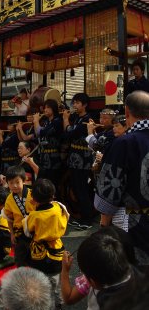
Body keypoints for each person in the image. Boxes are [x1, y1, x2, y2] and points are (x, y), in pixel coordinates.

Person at [95, 90, 149, 266]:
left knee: (136, 274)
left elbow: (110, 189)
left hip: (136, 222)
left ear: (126, 112)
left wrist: (104, 224)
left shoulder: (125, 143)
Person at [61, 225, 137, 310]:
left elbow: (68, 298)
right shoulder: (139, 278)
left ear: (93, 282)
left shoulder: (93, 277)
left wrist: (65, 270)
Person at [23, 179, 68, 310]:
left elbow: (27, 231)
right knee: (57, 281)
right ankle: (58, 306)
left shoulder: (35, 215)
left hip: (39, 254)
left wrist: (26, 218)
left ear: (34, 198)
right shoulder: (58, 207)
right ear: (52, 195)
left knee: (40, 282)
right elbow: (67, 216)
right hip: (57, 249)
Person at [63, 93, 93, 230]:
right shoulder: (76, 118)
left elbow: (70, 133)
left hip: (83, 158)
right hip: (74, 157)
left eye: (77, 103)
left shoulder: (87, 119)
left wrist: (65, 120)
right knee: (75, 187)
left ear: (85, 105)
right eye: (74, 103)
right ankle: (81, 215)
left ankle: (87, 219)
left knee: (82, 188)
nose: (74, 105)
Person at [2, 165, 34, 266]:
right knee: (20, 259)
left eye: (17, 182)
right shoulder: (9, 199)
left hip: (34, 233)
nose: (14, 185)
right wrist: (11, 233)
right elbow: (9, 219)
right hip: (19, 234)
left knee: (34, 259)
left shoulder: (32, 194)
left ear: (24, 181)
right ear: (7, 183)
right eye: (11, 183)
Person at [34, 99, 63, 193]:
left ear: (53, 109)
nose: (45, 110)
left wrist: (36, 121)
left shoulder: (57, 121)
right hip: (44, 157)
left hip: (53, 158)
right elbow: (38, 134)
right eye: (45, 108)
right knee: (42, 182)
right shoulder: (47, 121)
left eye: (48, 108)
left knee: (52, 184)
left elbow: (41, 133)